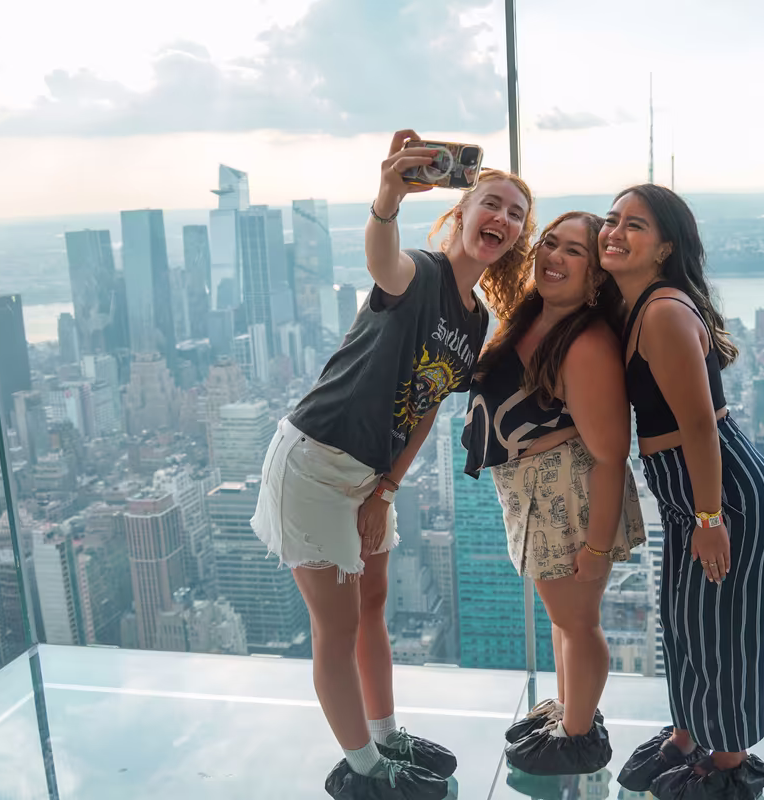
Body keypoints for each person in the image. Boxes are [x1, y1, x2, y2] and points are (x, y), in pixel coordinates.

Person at [250, 129, 535, 800]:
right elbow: (384, 264)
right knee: (338, 626)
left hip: (366, 478)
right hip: (314, 464)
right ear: (460, 214)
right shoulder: (421, 273)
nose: (501, 218)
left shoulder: (475, 320)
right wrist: (386, 200)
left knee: (373, 604)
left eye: (516, 213)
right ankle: (365, 773)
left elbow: (430, 405)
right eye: (490, 202)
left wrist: (387, 490)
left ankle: (385, 735)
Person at [600, 185, 764, 800]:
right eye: (611, 220)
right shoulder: (636, 305)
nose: (615, 232)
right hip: (690, 494)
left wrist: (710, 516)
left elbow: (700, 425)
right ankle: (686, 735)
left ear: (665, 247)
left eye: (636, 225)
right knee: (682, 623)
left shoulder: (662, 313)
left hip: (719, 492)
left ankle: (728, 764)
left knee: (718, 628)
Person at [462, 211, 645, 776]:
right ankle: (570, 714)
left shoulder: (585, 342)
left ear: (596, 279)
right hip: (536, 494)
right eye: (550, 243)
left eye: (574, 252)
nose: (554, 257)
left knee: (579, 622)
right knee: (564, 621)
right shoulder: (532, 316)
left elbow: (613, 452)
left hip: (568, 499)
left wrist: (595, 548)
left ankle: (577, 736)